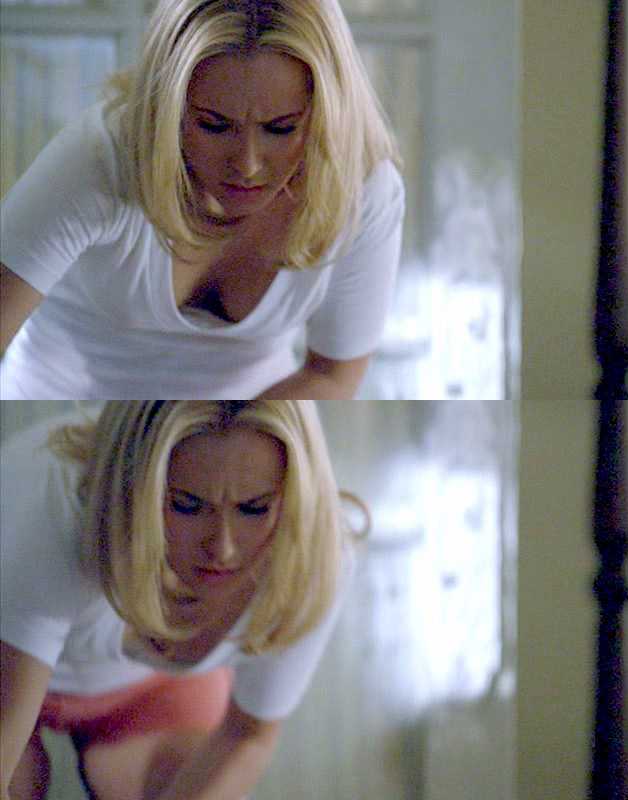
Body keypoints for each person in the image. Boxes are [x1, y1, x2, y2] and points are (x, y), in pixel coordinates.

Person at [0, 0, 404, 399]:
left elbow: (332, 376)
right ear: (167, 109)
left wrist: (223, 429)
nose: (247, 165)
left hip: (250, 421)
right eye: (214, 125)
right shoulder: (98, 161)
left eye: (280, 128)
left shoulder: (361, 187)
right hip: (58, 410)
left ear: (325, 115)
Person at [0, 401, 356, 800]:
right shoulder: (55, 508)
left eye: (253, 508)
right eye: (187, 505)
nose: (222, 549)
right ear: (132, 488)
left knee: (177, 776)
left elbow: (247, 734)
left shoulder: (312, 556)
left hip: (146, 689)